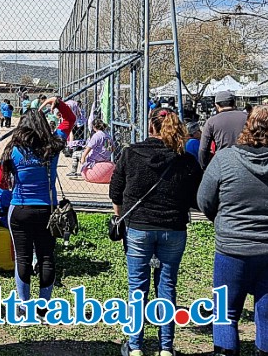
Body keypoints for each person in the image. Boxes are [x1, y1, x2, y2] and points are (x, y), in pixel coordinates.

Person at [109, 108, 203, 356]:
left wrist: (119, 216)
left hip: (138, 227)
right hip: (173, 228)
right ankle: (165, 347)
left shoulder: (131, 153)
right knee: (167, 286)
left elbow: (115, 191)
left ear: (150, 127)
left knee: (137, 287)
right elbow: (197, 197)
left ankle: (136, 345)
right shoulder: (186, 159)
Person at [197, 105, 268, 356]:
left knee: (225, 313)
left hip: (232, 250)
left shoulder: (225, 159)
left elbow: (204, 201)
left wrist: (224, 222)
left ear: (248, 126)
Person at [0, 99, 76, 322]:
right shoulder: (54, 145)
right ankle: (43, 308)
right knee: (47, 257)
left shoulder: (13, 150)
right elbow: (70, 120)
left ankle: (23, 307)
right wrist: (57, 103)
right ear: (44, 125)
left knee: (23, 257)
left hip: (19, 209)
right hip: (48, 211)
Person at [198, 90, 248, 169]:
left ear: (217, 106)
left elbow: (203, 149)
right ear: (234, 103)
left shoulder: (211, 122)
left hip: (223, 164)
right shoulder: (248, 117)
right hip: (246, 162)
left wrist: (204, 167)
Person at [77, 118, 115, 183]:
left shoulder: (96, 135)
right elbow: (113, 149)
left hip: (94, 161)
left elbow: (88, 148)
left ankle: (74, 171)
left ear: (94, 127)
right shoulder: (108, 135)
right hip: (105, 159)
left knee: (76, 154)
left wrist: (83, 157)